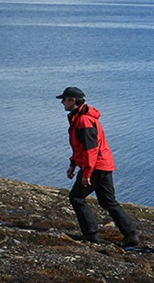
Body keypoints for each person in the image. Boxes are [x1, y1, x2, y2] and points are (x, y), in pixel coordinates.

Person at [57, 87, 139, 247]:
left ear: (72, 101)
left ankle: (91, 235)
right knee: (107, 201)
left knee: (76, 197)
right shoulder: (79, 118)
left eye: (64, 99)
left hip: (96, 166)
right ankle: (131, 234)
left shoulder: (83, 121)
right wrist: (73, 164)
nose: (62, 102)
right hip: (103, 164)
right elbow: (80, 147)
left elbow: (90, 149)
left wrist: (86, 173)